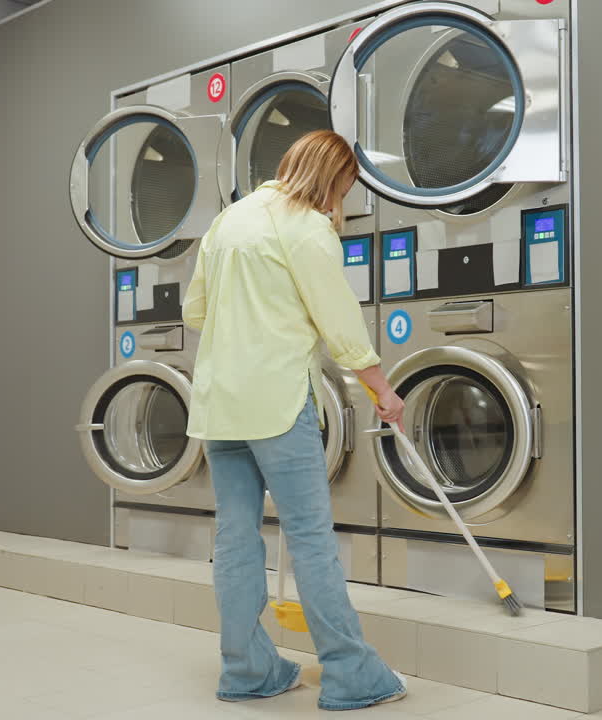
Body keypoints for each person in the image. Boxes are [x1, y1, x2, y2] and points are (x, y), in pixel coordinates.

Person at [181, 129, 407, 710]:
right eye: (346, 188)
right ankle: (351, 676)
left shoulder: (230, 220)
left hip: (221, 402)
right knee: (309, 538)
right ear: (333, 178)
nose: (344, 202)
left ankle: (246, 670)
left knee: (235, 536)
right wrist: (383, 390)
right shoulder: (308, 228)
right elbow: (340, 323)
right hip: (278, 402)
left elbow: (194, 310)